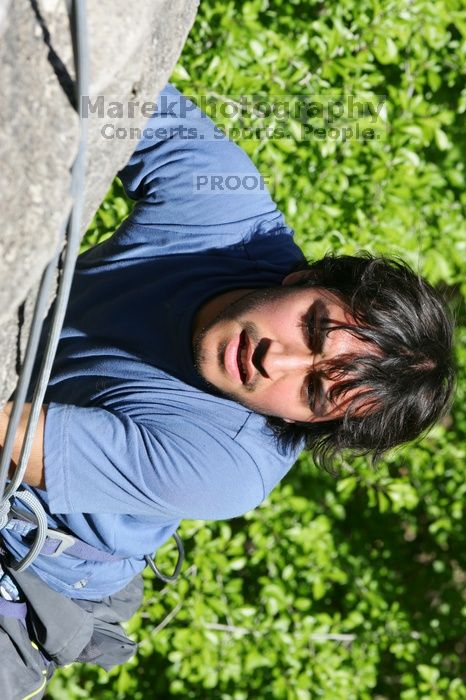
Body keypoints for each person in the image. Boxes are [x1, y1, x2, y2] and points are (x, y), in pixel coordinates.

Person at [0, 84, 455, 697]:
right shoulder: (228, 219)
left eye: (314, 389)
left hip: (34, 553)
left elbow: (5, 438)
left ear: (311, 424)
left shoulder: (226, 466)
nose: (279, 359)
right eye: (314, 327)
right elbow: (109, 79)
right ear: (305, 275)